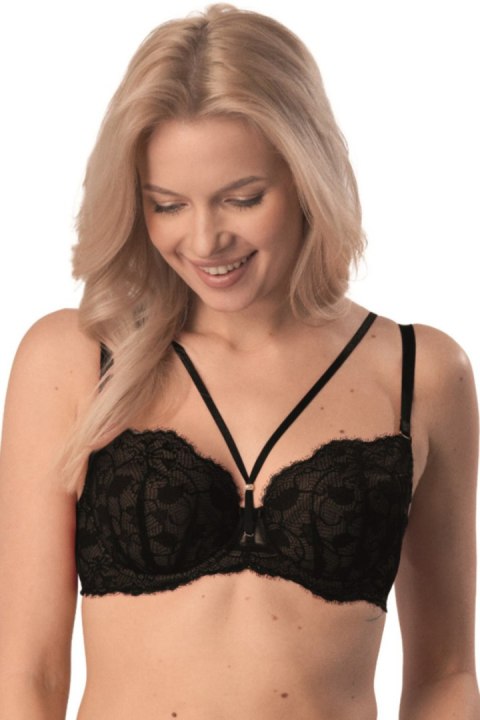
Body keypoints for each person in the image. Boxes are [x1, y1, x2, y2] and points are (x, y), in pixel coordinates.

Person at [0, 4, 478, 718]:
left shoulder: (420, 373)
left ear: (309, 176)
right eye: (167, 205)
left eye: (242, 199)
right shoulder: (75, 359)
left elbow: (445, 672)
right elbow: (28, 675)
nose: (204, 241)